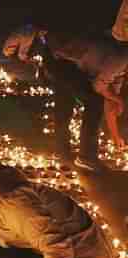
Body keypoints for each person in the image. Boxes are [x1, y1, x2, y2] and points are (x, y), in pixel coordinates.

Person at [45, 31, 128, 170]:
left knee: (76, 104)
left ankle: (65, 152)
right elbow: (98, 87)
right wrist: (120, 101)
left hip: (71, 64)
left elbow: (108, 101)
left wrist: (116, 138)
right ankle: (85, 156)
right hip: (62, 61)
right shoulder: (122, 59)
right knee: (92, 102)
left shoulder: (122, 69)